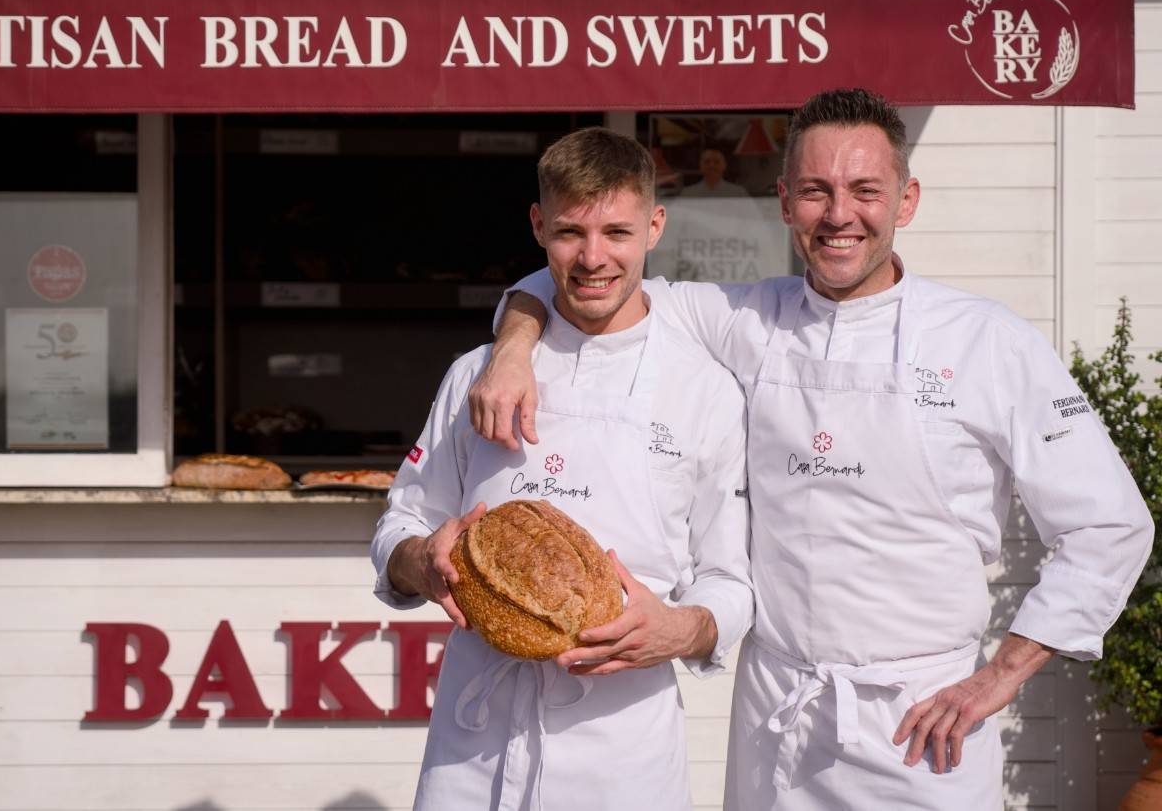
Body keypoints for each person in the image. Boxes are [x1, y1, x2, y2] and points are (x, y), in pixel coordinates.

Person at [469, 88, 1154, 810]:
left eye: (865, 190)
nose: (838, 215)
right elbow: (583, 274)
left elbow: (1109, 525)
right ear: (784, 199)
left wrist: (1000, 675)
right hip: (776, 717)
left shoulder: (988, 340)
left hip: (924, 725)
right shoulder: (743, 317)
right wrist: (513, 349)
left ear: (906, 199)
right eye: (816, 191)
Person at [371, 127, 756, 811]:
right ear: (537, 225)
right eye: (570, 233)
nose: (593, 257)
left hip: (621, 751)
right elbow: (401, 519)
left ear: (655, 226)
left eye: (617, 231)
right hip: (474, 745)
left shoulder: (704, 390)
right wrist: (419, 561)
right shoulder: (476, 377)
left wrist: (682, 629)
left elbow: (730, 577)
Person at [682, 147, 750, 198]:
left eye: (717, 162)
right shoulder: (688, 193)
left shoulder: (738, 193)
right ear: (700, 165)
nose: (711, 165)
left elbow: (750, 216)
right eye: (707, 162)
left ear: (724, 166)